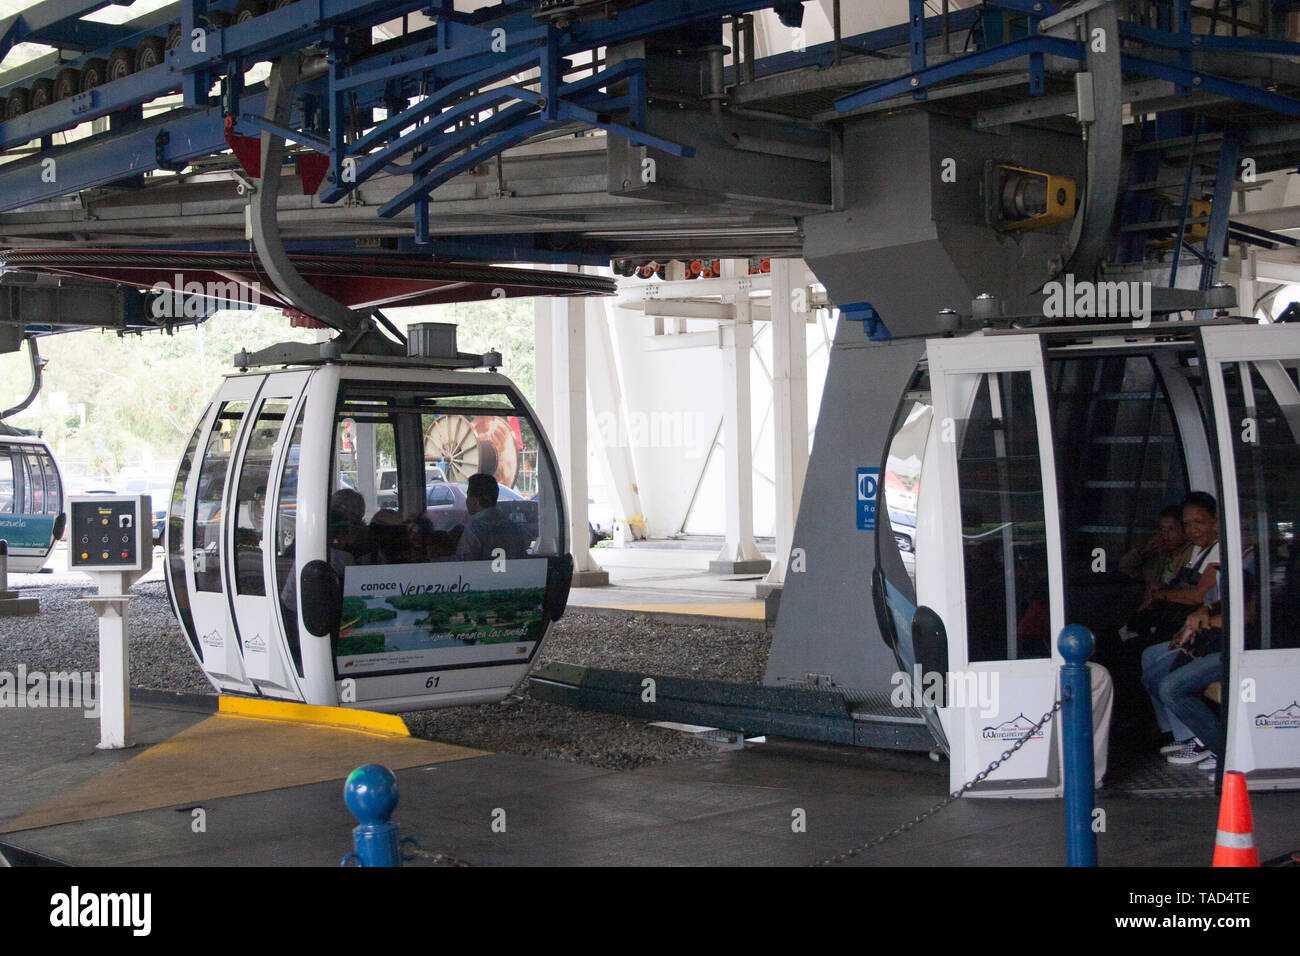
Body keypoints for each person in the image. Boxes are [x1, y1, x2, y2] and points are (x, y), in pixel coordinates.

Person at [1138, 491, 1222, 762]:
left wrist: (1165, 599)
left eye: (1200, 522)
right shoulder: (1198, 550)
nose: (1193, 530)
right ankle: (1184, 734)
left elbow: (1201, 597)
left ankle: (1207, 743)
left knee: (1167, 682)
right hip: (1198, 630)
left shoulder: (1223, 554)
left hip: (1215, 638)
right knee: (1149, 663)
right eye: (1188, 524)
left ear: (1216, 522)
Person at [455, 472, 525, 561]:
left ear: (476, 500)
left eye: (468, 495)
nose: (466, 500)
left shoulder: (475, 529)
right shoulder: (513, 528)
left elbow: (463, 563)